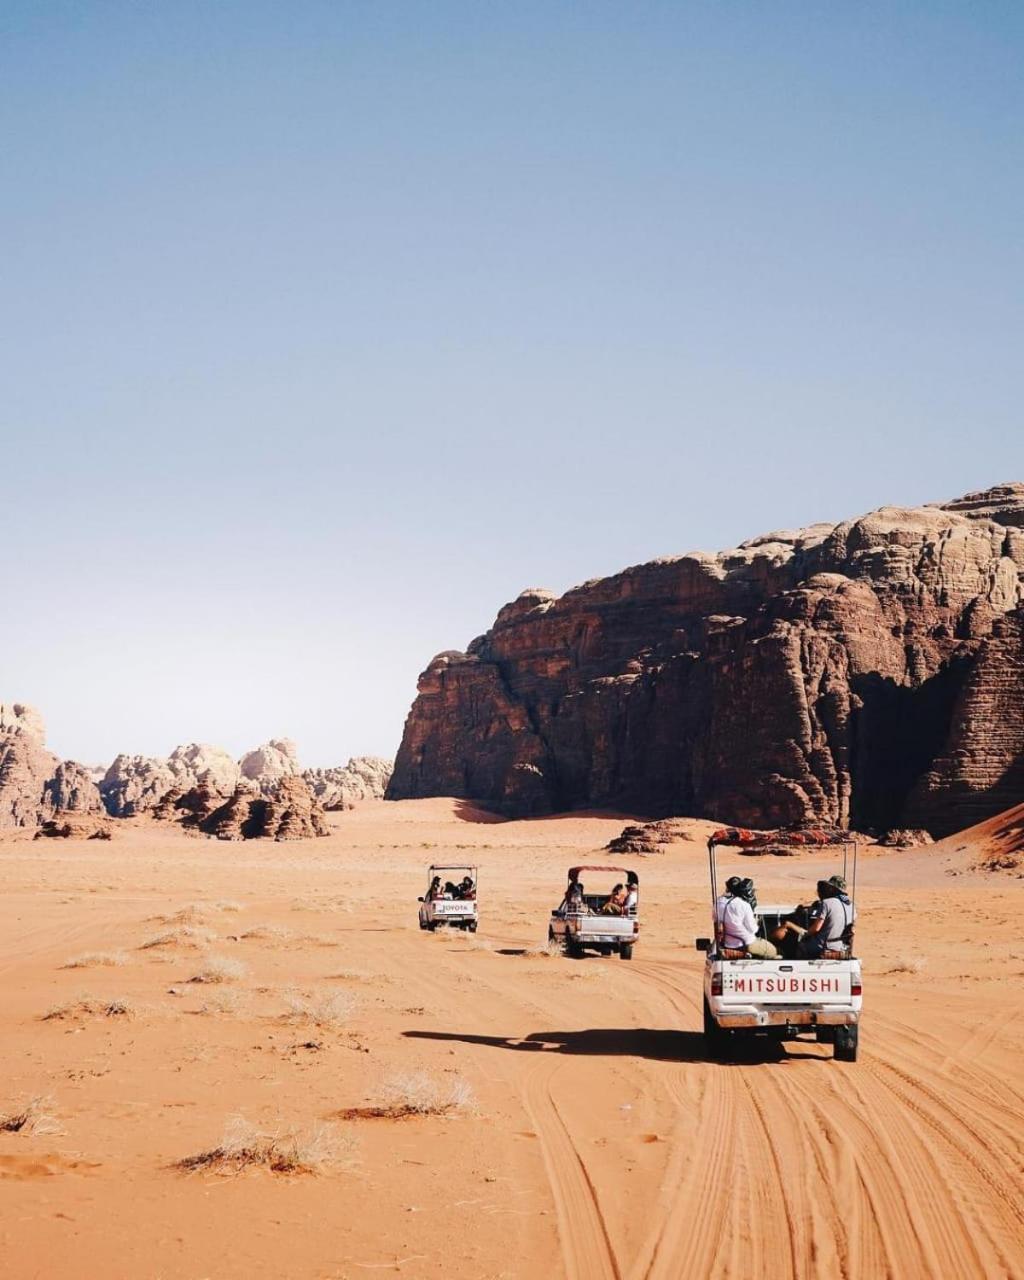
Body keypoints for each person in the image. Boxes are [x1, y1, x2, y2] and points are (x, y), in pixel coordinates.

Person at [714, 876, 778, 958]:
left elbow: (716, 920)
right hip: (746, 943)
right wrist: (756, 922)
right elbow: (753, 929)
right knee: (773, 951)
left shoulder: (718, 903)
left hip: (727, 944)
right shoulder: (743, 905)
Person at [799, 880, 857, 957]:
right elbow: (852, 929)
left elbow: (816, 928)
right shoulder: (852, 906)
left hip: (824, 947)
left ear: (832, 889)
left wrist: (804, 935)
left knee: (800, 945)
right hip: (842, 947)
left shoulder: (826, 903)